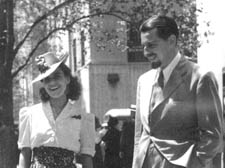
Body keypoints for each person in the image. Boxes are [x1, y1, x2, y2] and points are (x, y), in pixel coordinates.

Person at [132, 15, 223, 168]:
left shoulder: (200, 77)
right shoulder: (144, 80)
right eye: (144, 46)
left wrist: (195, 163)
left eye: (151, 45)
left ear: (172, 41)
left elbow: (212, 136)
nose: (146, 52)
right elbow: (140, 135)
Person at [18, 52, 95, 168]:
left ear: (67, 79)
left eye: (57, 76)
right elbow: (25, 153)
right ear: (43, 84)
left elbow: (87, 157)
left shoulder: (82, 118)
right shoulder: (30, 114)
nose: (52, 83)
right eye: (47, 79)